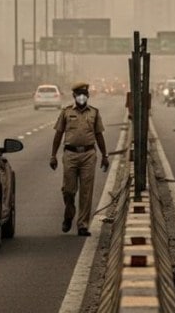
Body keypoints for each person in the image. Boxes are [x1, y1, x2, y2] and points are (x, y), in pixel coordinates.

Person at [50, 82, 109, 237]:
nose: (81, 97)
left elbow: (99, 135)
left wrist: (105, 155)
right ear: (74, 96)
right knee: (68, 190)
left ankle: (82, 225)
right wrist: (53, 155)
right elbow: (58, 134)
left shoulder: (94, 113)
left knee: (86, 192)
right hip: (70, 154)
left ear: (88, 96)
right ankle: (69, 213)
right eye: (78, 94)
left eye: (84, 94)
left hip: (89, 155)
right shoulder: (66, 112)